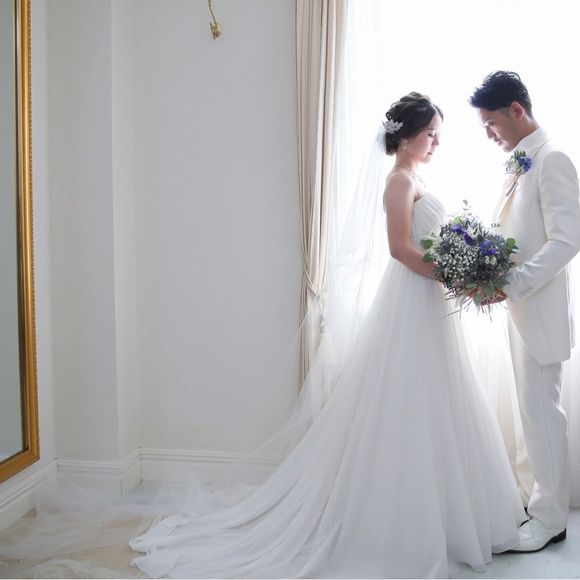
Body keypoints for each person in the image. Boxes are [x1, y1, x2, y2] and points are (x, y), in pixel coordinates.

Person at [129, 93, 526, 578]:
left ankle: (448, 516)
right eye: (430, 134)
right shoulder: (399, 181)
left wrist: (458, 268)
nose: (437, 143)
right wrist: (455, 276)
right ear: (405, 136)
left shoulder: (417, 179)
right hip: (411, 295)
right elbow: (399, 249)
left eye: (438, 134)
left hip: (427, 296)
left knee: (440, 397)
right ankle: (400, 522)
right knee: (408, 399)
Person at [470, 71, 580, 552]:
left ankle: (551, 519)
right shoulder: (520, 161)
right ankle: (534, 503)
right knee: (528, 415)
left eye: (491, 123)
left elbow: (567, 240)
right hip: (520, 309)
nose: (489, 134)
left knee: (542, 415)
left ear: (517, 110)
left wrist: (511, 283)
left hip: (538, 310)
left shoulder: (552, 158)